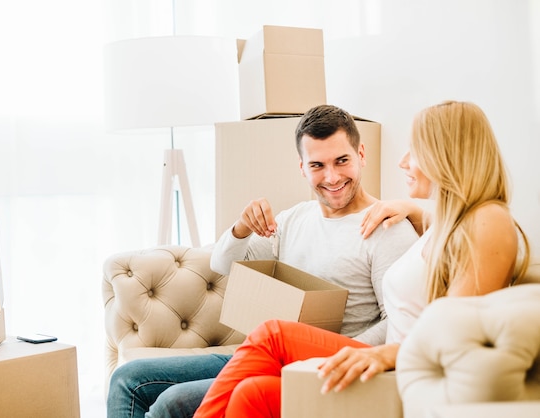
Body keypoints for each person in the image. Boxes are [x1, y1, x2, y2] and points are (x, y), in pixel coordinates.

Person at [192, 100, 531, 418]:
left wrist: (379, 353)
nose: (403, 162)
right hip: (393, 358)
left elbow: (453, 330)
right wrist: (413, 208)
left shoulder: (490, 222)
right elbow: (224, 265)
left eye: (415, 150)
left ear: (447, 154)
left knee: (271, 335)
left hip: (400, 367)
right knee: (252, 392)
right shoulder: (453, 222)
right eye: (317, 165)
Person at [106, 104, 420, 418]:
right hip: (268, 352)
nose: (332, 176)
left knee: (173, 403)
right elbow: (223, 264)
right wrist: (241, 229)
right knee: (127, 379)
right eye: (318, 165)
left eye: (342, 161)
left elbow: (397, 320)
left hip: (326, 362)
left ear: (361, 155)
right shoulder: (293, 220)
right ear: (302, 168)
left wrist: (332, 355)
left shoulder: (385, 227)